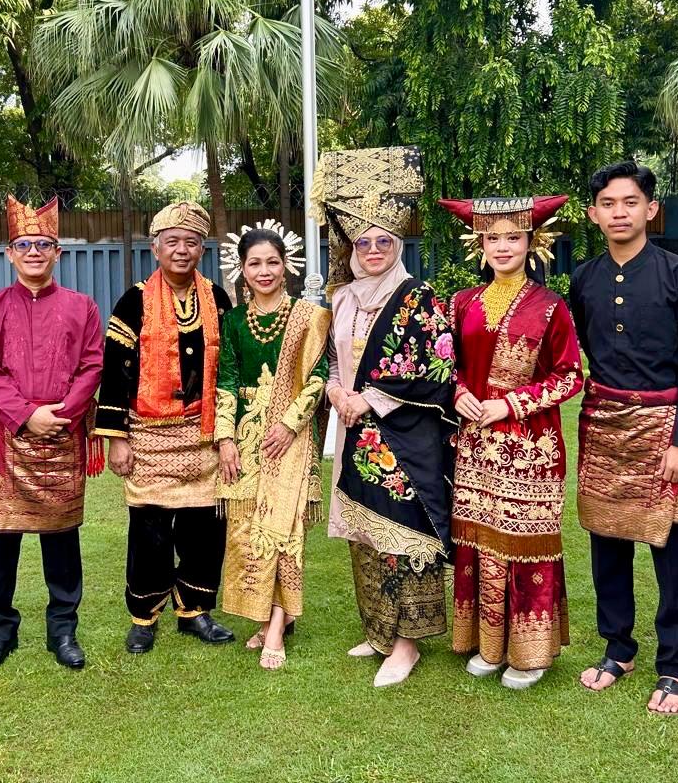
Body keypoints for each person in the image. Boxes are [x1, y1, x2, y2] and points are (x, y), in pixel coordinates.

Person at [569, 160, 678, 715]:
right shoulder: (583, 278)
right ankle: (618, 649)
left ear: (651, 209)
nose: (619, 213)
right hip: (604, 424)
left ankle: (675, 667)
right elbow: (585, 347)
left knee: (672, 550)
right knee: (606, 543)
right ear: (593, 213)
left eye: (630, 202)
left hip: (666, 428)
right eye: (607, 204)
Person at [316, 146, 456, 688]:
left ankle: (407, 644)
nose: (373, 250)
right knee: (366, 535)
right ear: (352, 247)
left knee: (405, 535)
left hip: (404, 437)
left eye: (384, 242)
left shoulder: (419, 296)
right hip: (355, 433)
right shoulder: (343, 297)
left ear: (398, 245)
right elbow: (334, 359)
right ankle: (378, 631)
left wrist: (369, 399)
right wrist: (336, 391)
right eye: (364, 242)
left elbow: (435, 367)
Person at [440, 195, 583, 690]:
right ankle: (487, 644)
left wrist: (512, 404)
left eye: (513, 237)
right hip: (474, 445)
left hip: (531, 448)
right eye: (493, 237)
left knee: (526, 544)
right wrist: (458, 391)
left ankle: (530, 653)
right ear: (479, 244)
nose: (502, 246)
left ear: (531, 243)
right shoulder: (462, 302)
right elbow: (445, 364)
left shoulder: (551, 307)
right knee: (478, 540)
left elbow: (570, 376)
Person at [0, 196, 104, 675]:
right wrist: (27, 416)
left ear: (57, 252)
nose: (33, 252)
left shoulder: (82, 307)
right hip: (4, 439)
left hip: (63, 434)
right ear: (9, 253)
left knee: (62, 539)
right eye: (24, 244)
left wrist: (59, 415)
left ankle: (62, 628)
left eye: (43, 245)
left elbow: (92, 365)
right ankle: (0, 631)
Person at [93, 201, 235, 653]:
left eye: (191, 242)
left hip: (204, 434)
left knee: (204, 529)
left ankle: (195, 610)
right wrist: (117, 439)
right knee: (149, 530)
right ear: (156, 249)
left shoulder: (218, 298)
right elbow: (115, 371)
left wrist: (229, 433)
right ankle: (144, 615)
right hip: (149, 435)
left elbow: (230, 369)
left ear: (201, 249)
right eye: (172, 242)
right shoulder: (133, 300)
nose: (181, 250)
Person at [214, 223, 330, 670]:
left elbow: (318, 379)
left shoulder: (309, 317)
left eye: (272, 262)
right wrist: (225, 439)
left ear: (287, 266)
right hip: (247, 439)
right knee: (248, 531)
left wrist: (288, 423)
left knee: (285, 531)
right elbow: (226, 380)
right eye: (254, 263)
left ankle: (277, 628)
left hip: (291, 438)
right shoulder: (233, 321)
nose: (264, 271)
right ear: (242, 270)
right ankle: (267, 615)